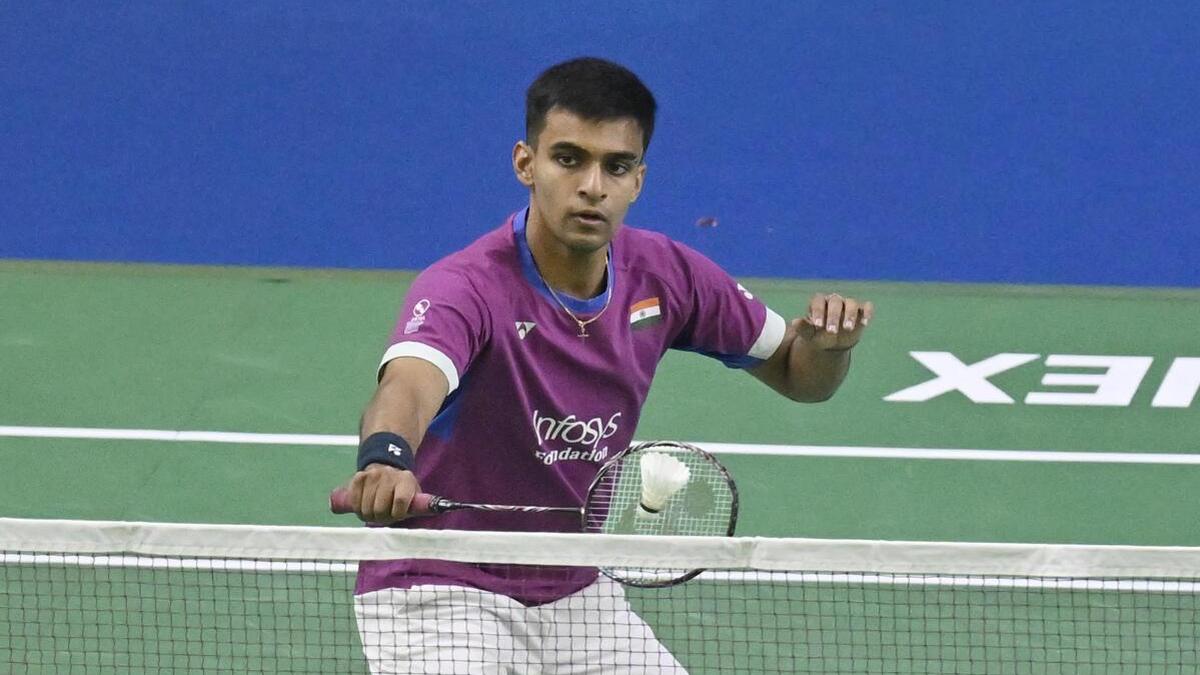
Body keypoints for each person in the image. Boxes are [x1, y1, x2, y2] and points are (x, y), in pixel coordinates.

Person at [346, 57, 873, 674]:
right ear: (526, 163)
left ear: (638, 180)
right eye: (569, 159)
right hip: (439, 583)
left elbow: (799, 375)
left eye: (615, 166)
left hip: (577, 591)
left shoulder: (667, 275)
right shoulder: (466, 286)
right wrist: (386, 458)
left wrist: (829, 350)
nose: (592, 185)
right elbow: (410, 382)